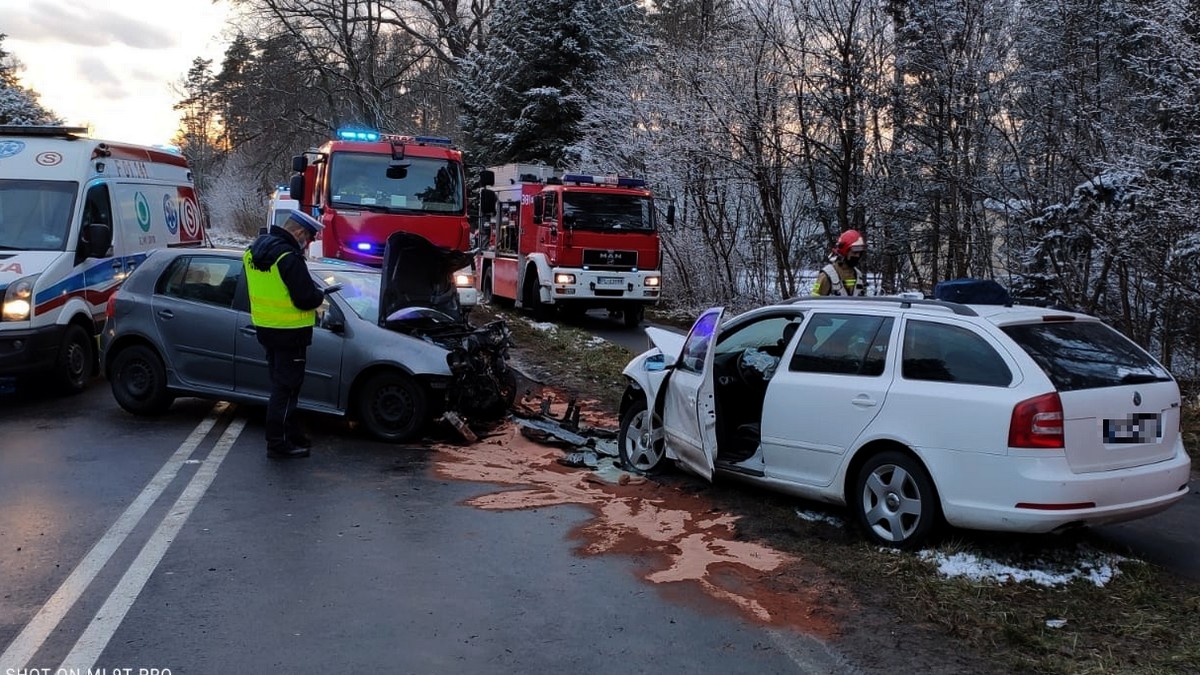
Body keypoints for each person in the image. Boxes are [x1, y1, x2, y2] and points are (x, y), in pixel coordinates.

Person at [244, 210, 328, 459]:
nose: (308, 243)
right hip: (291, 335)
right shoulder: (288, 257)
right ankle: (279, 443)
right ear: (300, 233)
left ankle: (290, 435)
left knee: (281, 386)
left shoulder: (252, 252)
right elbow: (305, 298)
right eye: (309, 238)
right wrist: (320, 295)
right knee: (286, 390)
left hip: (266, 329)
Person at [812, 229, 868, 297]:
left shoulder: (859, 275)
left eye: (860, 253)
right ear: (845, 252)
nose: (858, 256)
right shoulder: (826, 276)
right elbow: (814, 303)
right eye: (855, 252)